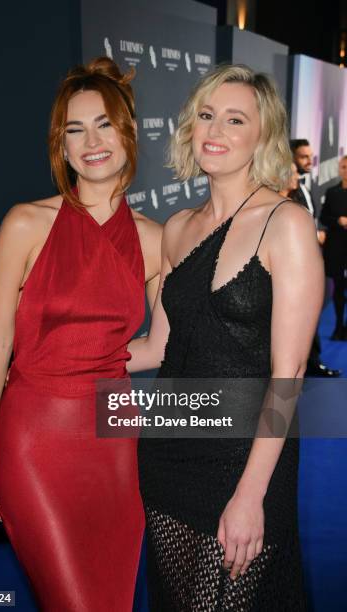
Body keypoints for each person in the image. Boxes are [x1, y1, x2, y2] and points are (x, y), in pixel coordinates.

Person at [128, 64, 324, 610]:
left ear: (262, 135)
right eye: (207, 116)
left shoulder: (284, 224)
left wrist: (251, 494)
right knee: (181, 600)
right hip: (170, 450)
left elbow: (290, 375)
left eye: (234, 120)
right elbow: (155, 349)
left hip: (247, 458)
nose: (215, 131)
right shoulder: (177, 227)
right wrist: (50, 360)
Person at [0, 57, 162, 611]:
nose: (91, 141)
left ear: (128, 131)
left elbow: (162, 347)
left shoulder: (154, 239)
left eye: (104, 124)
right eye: (74, 130)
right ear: (61, 145)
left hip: (116, 436)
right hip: (35, 440)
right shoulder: (25, 222)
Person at [290, 138, 341, 376]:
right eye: (303, 157)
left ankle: (311, 361)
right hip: (293, 267)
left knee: (311, 316)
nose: (310, 161)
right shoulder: (286, 195)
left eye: (311, 156)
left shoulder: (305, 189)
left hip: (309, 261)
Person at [320, 155, 347, 340]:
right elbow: (323, 218)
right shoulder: (332, 192)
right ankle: (339, 327)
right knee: (338, 289)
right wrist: (338, 220)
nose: (344, 170)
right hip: (337, 249)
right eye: (343, 166)